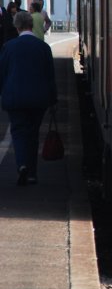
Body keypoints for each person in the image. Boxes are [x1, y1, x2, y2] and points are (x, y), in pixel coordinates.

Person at [0, 10, 57, 185]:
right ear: (32, 25)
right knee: (33, 134)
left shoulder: (8, 47)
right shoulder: (43, 48)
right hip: (38, 99)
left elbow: (2, 73)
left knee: (18, 132)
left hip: (15, 98)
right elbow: (50, 77)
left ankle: (22, 165)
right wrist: (53, 101)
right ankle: (32, 172)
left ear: (16, 26)